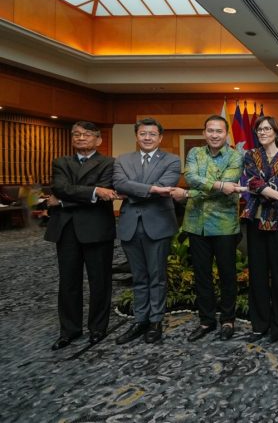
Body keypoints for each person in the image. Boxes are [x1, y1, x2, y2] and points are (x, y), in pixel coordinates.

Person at [45, 121, 118, 350]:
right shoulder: (61, 162)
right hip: (66, 229)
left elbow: (105, 192)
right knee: (68, 282)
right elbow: (60, 188)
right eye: (76, 134)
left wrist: (63, 202)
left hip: (97, 229)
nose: (81, 137)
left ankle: (98, 328)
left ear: (99, 139)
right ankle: (69, 330)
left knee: (100, 282)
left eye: (87, 134)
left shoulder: (109, 163)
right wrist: (94, 191)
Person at [170, 115, 243, 342]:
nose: (214, 135)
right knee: (202, 275)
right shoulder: (195, 153)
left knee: (227, 275)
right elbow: (191, 178)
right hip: (196, 224)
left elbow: (227, 188)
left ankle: (228, 320)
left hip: (224, 225)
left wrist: (189, 194)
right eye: (210, 130)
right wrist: (219, 185)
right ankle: (206, 321)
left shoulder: (235, 156)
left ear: (226, 134)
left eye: (219, 131)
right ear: (204, 133)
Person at [113, 118, 181, 345]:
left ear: (160, 138)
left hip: (158, 225)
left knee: (157, 276)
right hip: (130, 225)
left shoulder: (172, 160)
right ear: (137, 136)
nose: (147, 137)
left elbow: (166, 186)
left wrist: (133, 190)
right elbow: (119, 184)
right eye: (143, 133)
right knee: (138, 277)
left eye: (152, 134)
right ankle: (140, 320)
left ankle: (155, 321)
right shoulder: (122, 160)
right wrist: (152, 189)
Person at [242, 116, 278, 343]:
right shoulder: (250, 155)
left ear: (276, 132)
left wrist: (264, 188)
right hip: (255, 221)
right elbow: (252, 183)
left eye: (267, 129)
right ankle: (260, 325)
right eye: (260, 129)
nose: (263, 132)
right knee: (257, 275)